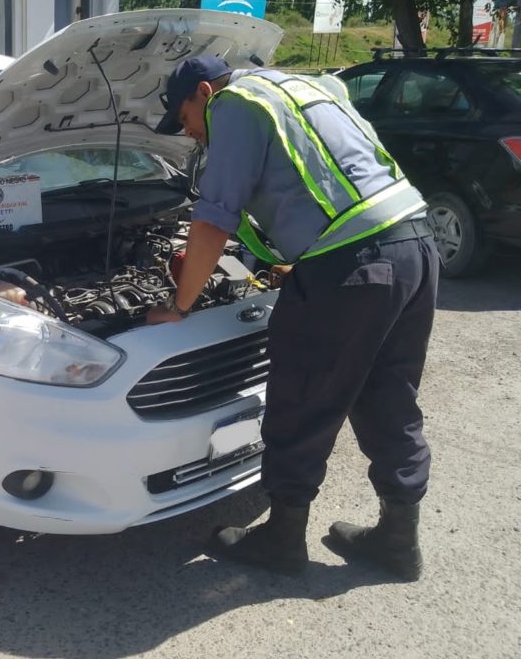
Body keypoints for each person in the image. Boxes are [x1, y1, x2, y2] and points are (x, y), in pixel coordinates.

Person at [147, 55, 438, 581]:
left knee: (303, 395)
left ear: (205, 92)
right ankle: (399, 540)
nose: (188, 133)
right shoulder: (306, 85)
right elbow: (331, 173)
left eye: (184, 117)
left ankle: (281, 540)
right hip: (412, 242)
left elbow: (214, 217)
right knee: (389, 392)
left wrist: (179, 307)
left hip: (354, 261)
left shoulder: (235, 105)